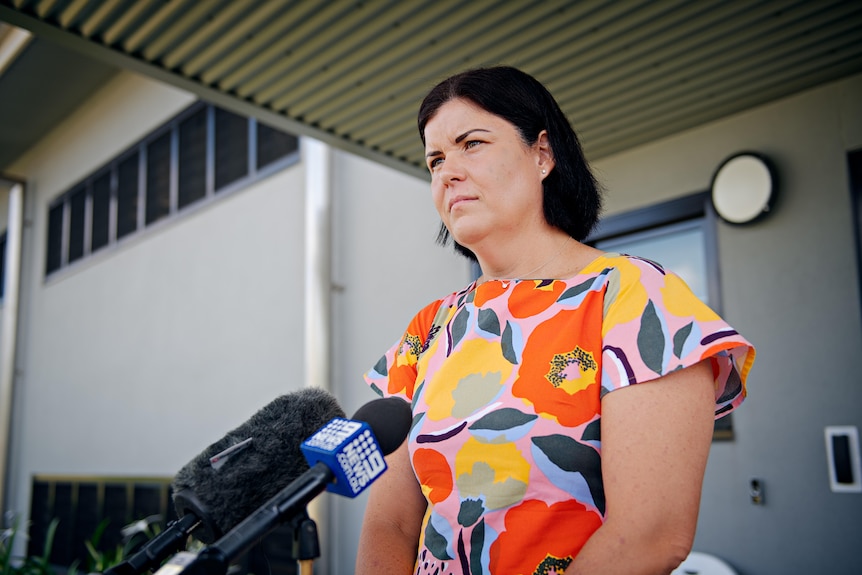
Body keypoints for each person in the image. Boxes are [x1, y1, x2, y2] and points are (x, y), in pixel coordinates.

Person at [356, 66, 755, 575]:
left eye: (471, 144)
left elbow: (651, 536)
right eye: (435, 160)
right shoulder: (428, 328)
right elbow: (388, 525)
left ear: (542, 153)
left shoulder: (633, 296)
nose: (447, 171)